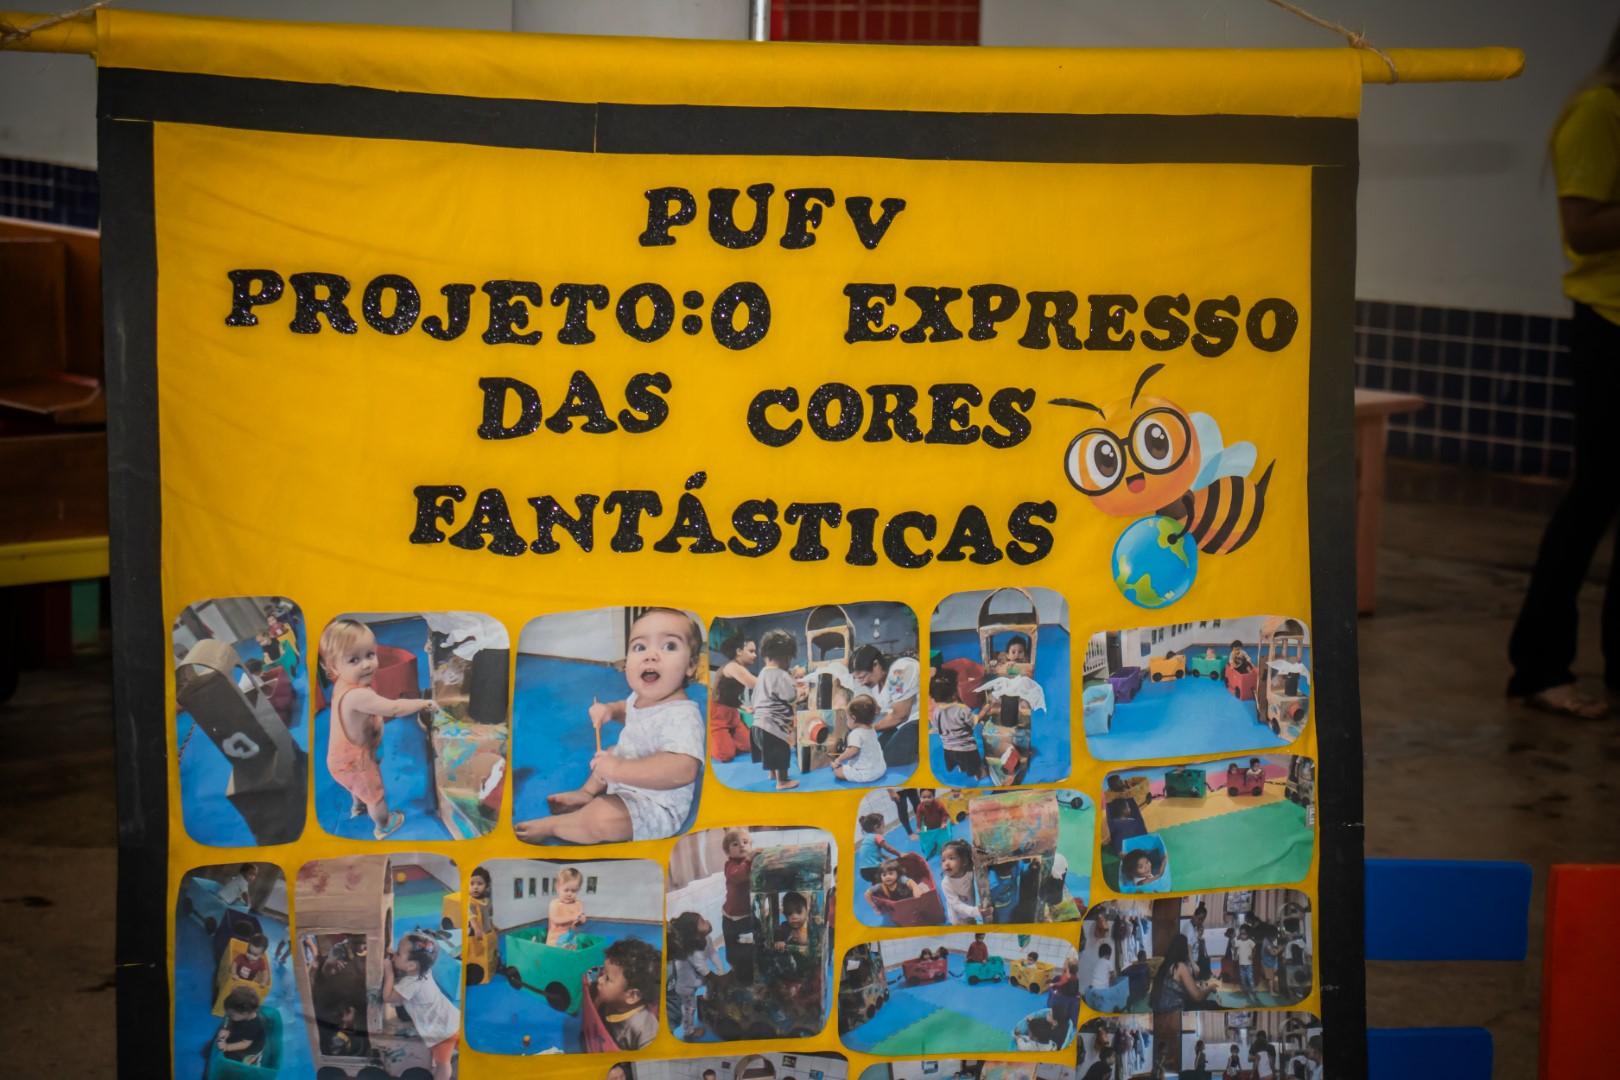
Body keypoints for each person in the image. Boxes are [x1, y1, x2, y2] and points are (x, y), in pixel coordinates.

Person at [1508, 28, 1620, 719]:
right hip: (1609, 324)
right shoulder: (1600, 111)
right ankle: (1540, 664)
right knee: (1594, 498)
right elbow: (1582, 226)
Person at [515, 608, 706, 842]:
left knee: (601, 817)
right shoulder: (642, 697)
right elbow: (630, 711)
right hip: (627, 772)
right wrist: (610, 711)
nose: (651, 655)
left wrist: (617, 769)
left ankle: (555, 826)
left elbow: (683, 769)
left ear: (691, 665)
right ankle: (586, 792)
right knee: (612, 752)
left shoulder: (683, 716)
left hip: (655, 804)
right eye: (640, 647)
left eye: (669, 646)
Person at [320, 618, 435, 839]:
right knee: (375, 796)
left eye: (370, 655)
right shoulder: (357, 695)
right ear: (334, 668)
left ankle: (358, 805)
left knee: (357, 787)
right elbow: (394, 708)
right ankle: (383, 825)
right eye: (354, 660)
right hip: (355, 762)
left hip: (343, 760)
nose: (366, 664)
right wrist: (424, 703)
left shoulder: (343, 684)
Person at [382, 933, 459, 1080]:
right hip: (451, 1019)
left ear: (411, 966)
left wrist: (389, 973)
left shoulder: (411, 984)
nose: (394, 955)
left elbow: (388, 997)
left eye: (398, 953)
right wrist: (395, 957)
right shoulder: (424, 971)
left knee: (443, 1064)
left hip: (441, 1030)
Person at [851, 643, 920, 766]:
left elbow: (901, 715)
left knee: (888, 758)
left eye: (863, 677)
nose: (862, 683)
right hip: (902, 723)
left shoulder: (900, 671)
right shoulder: (876, 682)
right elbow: (879, 708)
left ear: (876, 665)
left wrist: (868, 729)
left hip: (919, 720)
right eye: (858, 679)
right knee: (875, 752)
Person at [749, 629, 801, 790]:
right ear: (787, 657)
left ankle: (772, 773)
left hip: (757, 726)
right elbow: (790, 697)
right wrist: (799, 692)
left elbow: (755, 697)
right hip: (772, 727)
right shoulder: (782, 675)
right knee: (781, 752)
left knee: (769, 751)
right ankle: (782, 781)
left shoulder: (762, 674)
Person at [594, 939, 661, 1051]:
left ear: (632, 996)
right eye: (602, 972)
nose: (599, 980)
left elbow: (651, 1058)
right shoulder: (607, 999)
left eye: (607, 978)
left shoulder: (644, 1028)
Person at [667, 910, 721, 1040]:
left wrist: (720, 969)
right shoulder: (693, 951)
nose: (707, 922)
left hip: (695, 979)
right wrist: (717, 978)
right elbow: (702, 968)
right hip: (685, 986)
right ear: (695, 935)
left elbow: (712, 953)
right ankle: (689, 1032)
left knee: (709, 984)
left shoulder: (705, 939)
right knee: (689, 1008)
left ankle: (706, 999)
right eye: (702, 922)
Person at [930, 668, 984, 779]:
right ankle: (977, 774)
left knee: (959, 762)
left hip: (948, 749)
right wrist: (986, 709)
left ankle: (961, 767)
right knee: (975, 768)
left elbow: (936, 729)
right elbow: (974, 722)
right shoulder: (962, 709)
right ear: (954, 694)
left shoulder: (936, 712)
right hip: (966, 749)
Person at [710, 633, 757, 762]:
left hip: (732, 713)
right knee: (725, 755)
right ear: (739, 651)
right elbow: (755, 684)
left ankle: (726, 738)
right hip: (717, 714)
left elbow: (730, 695)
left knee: (749, 746)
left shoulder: (740, 668)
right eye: (751, 651)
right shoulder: (732, 667)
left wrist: (744, 707)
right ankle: (712, 739)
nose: (755, 655)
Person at [720, 829, 757, 982]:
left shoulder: (749, 862)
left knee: (748, 948)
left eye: (745, 842)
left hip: (746, 915)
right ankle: (736, 971)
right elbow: (738, 876)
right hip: (731, 917)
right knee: (732, 950)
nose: (742, 846)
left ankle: (747, 971)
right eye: (735, 844)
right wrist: (748, 860)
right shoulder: (730, 866)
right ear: (727, 851)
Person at [1148, 933, 1218, 1012]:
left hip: (1159, 1010)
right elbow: (1198, 996)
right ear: (1184, 949)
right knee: (1213, 1004)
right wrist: (1210, 988)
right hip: (1174, 1011)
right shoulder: (1179, 966)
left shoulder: (1164, 966)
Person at [832, 695, 888, 783]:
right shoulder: (871, 729)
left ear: (853, 718)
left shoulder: (855, 734)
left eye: (847, 719)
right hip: (880, 769)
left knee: (837, 772)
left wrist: (839, 760)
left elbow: (853, 751)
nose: (847, 722)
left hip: (867, 774)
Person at [214, 986, 266, 1064]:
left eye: (231, 1015)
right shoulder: (242, 1014)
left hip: (249, 1047)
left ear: (245, 1013)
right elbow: (230, 1021)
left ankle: (255, 1058)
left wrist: (227, 1047)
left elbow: (245, 1044)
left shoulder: (254, 1025)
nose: (228, 1015)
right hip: (242, 1035)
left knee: (231, 1059)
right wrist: (227, 1030)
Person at [940, 840, 983, 925]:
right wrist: (975, 911)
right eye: (943, 860)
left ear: (964, 861)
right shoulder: (946, 883)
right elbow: (956, 905)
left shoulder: (970, 874)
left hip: (972, 911)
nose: (946, 863)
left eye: (951, 858)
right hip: (958, 918)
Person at [855, 812, 903, 885]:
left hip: (863, 871)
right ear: (876, 827)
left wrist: (885, 857)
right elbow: (888, 848)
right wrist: (900, 854)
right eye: (883, 826)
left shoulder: (866, 838)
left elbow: (874, 852)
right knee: (892, 871)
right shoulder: (877, 836)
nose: (884, 827)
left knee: (878, 881)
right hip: (873, 868)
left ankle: (875, 889)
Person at [547, 867, 587, 947]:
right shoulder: (555, 904)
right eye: (566, 890)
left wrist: (581, 920)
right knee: (558, 953)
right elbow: (555, 920)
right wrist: (573, 917)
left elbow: (577, 923)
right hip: (555, 940)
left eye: (573, 891)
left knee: (572, 950)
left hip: (571, 937)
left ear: (578, 889)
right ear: (557, 888)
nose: (569, 894)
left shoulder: (578, 904)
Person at [865, 858, 930, 907]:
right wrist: (873, 906)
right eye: (884, 875)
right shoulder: (881, 886)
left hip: (912, 896)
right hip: (902, 903)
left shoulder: (901, 879)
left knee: (922, 890)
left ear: (897, 873)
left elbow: (911, 882)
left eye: (891, 873)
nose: (887, 877)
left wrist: (915, 888)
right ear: (880, 876)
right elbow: (867, 893)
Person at [467, 865, 493, 946]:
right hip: (475, 933)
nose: (475, 887)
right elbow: (471, 916)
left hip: (486, 933)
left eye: (480, 884)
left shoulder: (486, 901)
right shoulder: (470, 901)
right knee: (475, 949)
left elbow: (487, 916)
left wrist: (492, 926)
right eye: (472, 884)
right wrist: (476, 928)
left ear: (486, 886)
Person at [1234, 924, 1259, 1002]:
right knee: (1243, 979)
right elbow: (1235, 949)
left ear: (1248, 934)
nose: (1243, 935)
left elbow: (1254, 949)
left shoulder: (1250, 941)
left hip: (1249, 964)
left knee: (1250, 978)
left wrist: (1252, 956)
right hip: (1241, 964)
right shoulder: (1238, 942)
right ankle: (1246, 991)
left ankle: (1253, 992)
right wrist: (1235, 956)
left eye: (1244, 934)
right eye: (1241, 933)